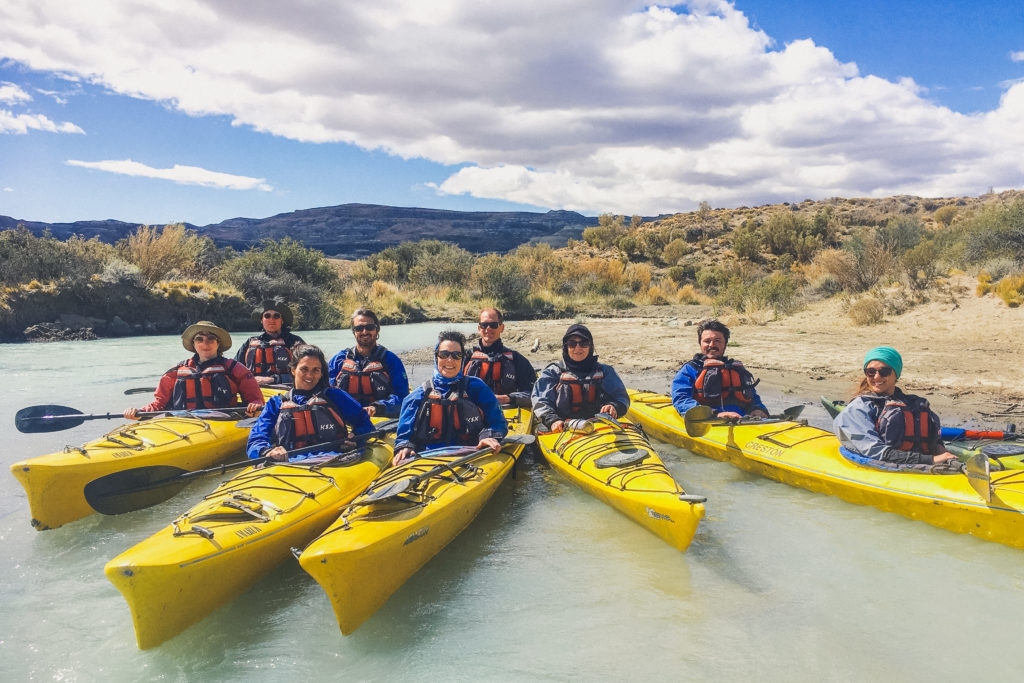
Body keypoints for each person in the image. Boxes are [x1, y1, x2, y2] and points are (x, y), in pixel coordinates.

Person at [392, 330, 508, 466]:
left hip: (472, 453)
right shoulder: (417, 396)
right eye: (444, 354)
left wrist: (489, 437)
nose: (450, 360)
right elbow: (404, 436)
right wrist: (404, 446)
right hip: (427, 457)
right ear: (437, 357)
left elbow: (498, 422)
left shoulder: (477, 388)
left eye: (456, 355)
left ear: (462, 359)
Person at [246, 344, 374, 462]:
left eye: (315, 370)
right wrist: (267, 451)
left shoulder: (335, 396)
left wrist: (356, 438)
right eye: (304, 369)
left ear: (321, 373)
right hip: (290, 465)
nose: (309, 375)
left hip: (334, 461)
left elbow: (366, 424)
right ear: (293, 370)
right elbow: (256, 440)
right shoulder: (276, 404)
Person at [832, 346, 957, 465]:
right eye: (871, 372)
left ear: (895, 374)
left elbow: (934, 441)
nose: (876, 376)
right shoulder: (858, 408)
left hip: (919, 464)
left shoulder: (914, 403)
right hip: (889, 465)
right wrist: (930, 460)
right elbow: (877, 452)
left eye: (884, 371)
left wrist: (944, 453)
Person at [124, 321, 264, 418]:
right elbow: (158, 405)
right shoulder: (175, 372)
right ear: (193, 344)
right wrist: (139, 412)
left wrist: (255, 407)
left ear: (218, 343)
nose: (205, 343)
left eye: (210, 339)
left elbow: (256, 400)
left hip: (223, 420)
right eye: (199, 339)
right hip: (183, 421)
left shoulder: (235, 369)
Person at [531, 324, 629, 432]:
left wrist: (614, 406)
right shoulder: (553, 372)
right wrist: (552, 420)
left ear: (590, 346)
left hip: (599, 426)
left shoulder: (605, 371)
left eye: (583, 343)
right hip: (563, 427)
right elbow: (541, 401)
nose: (578, 348)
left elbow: (621, 398)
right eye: (572, 343)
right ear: (566, 347)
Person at [671, 319, 768, 420]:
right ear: (700, 343)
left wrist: (759, 409)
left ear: (725, 343)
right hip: (709, 419)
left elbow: (753, 397)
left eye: (717, 341)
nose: (712, 345)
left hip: (742, 420)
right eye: (707, 341)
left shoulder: (737, 369)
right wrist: (713, 414)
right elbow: (681, 399)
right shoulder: (691, 369)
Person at [328, 308, 409, 418]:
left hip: (381, 419)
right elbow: (326, 391)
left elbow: (402, 397)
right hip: (347, 418)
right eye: (359, 328)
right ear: (354, 331)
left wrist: (376, 408)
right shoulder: (338, 360)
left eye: (369, 327)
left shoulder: (391, 360)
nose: (364, 332)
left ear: (377, 330)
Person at [462, 308, 536, 408]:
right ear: (479, 328)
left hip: (506, 410)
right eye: (484, 325)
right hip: (472, 410)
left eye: (493, 325)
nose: (488, 329)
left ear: (501, 327)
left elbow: (534, 393)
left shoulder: (517, 360)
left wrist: (506, 398)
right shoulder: (465, 357)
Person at [234, 300, 305, 386]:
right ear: (262, 320)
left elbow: (307, 373)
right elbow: (234, 370)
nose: (271, 319)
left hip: (285, 388)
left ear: (282, 320)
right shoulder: (249, 343)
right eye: (267, 316)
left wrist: (274, 379)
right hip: (254, 388)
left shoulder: (295, 342)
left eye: (276, 316)